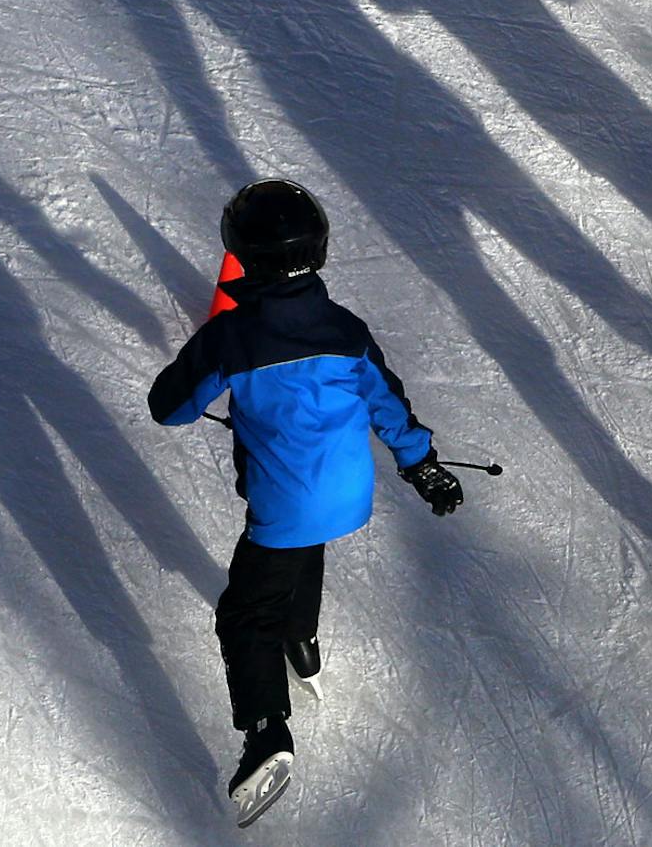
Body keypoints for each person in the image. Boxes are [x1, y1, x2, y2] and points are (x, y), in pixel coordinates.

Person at [148, 179, 464, 828]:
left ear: (242, 254)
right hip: (349, 496)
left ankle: (267, 731)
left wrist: (220, 374)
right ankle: (303, 641)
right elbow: (388, 404)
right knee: (302, 550)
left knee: (244, 612)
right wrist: (424, 468)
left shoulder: (233, 338)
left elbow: (169, 409)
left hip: (286, 503)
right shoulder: (346, 329)